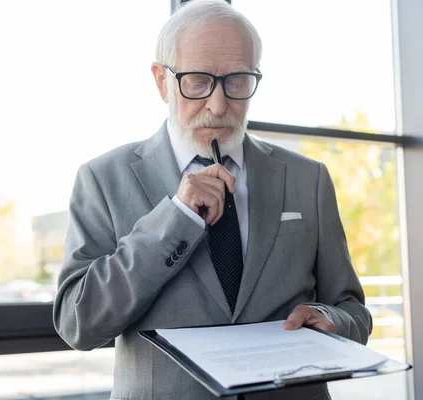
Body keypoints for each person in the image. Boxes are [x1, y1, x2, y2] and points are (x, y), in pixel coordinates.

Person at [53, 1, 372, 399]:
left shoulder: (309, 178)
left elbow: (353, 309)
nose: (219, 105)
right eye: (198, 81)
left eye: (237, 81)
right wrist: (175, 218)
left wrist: (332, 319)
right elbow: (78, 324)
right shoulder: (102, 178)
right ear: (161, 81)